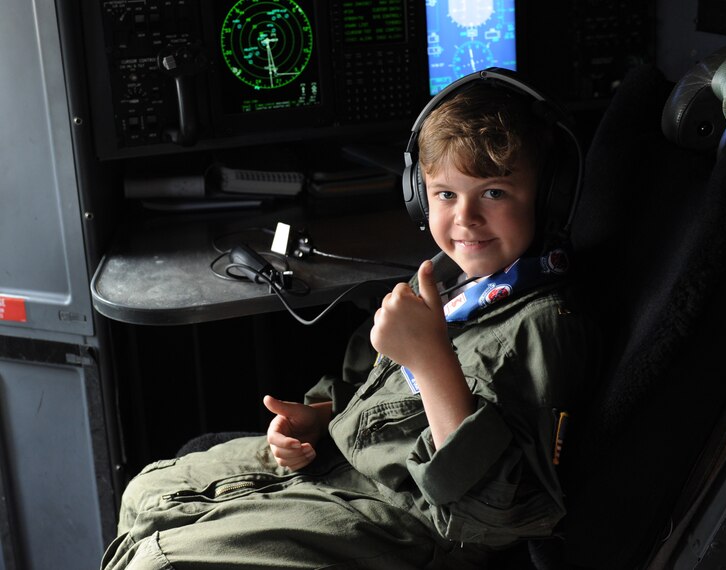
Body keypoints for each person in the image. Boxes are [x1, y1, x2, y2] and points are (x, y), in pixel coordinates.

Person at [101, 71, 599, 570]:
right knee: (146, 495)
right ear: (419, 194)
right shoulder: (452, 281)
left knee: (156, 564)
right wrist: (318, 418)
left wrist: (430, 362)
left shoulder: (542, 325)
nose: (464, 217)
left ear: (548, 196)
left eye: (493, 193)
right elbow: (375, 393)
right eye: (446, 194)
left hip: (409, 525)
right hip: (341, 461)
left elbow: (504, 511)